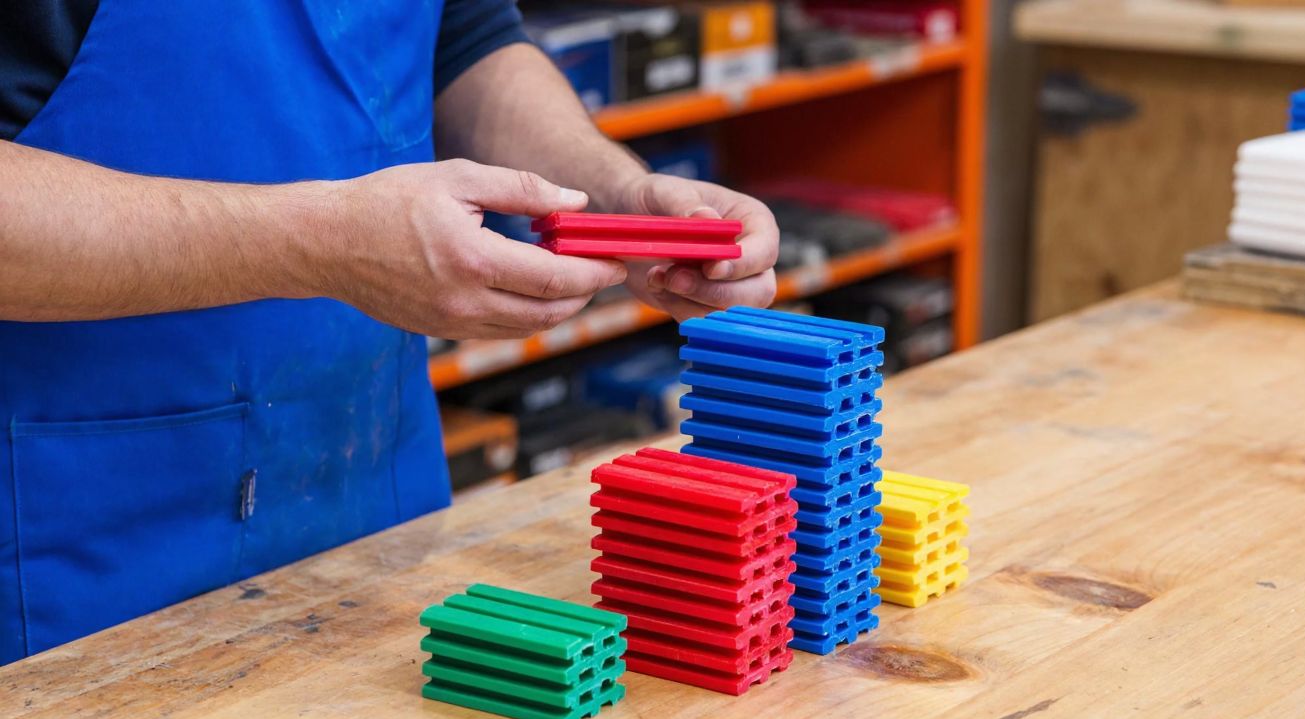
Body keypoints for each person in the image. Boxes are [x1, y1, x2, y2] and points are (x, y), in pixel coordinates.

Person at [0, 2, 779, 665]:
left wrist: (613, 199)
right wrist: (322, 243)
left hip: (377, 506)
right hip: (80, 565)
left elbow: (466, 43)